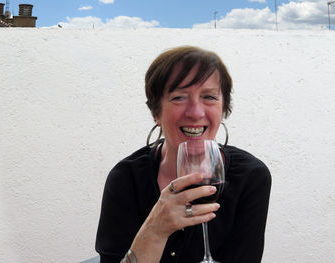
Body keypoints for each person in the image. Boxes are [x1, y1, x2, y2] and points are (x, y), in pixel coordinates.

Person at [95, 46, 271, 263]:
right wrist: (155, 230)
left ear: (224, 108)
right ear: (155, 112)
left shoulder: (251, 177)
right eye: (179, 97)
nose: (196, 112)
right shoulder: (126, 178)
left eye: (209, 97)